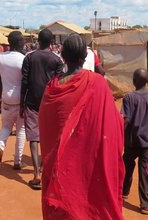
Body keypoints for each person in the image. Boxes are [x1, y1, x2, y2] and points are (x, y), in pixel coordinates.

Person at [39, 34, 125, 219]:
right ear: (85, 57)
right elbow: (112, 124)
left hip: (58, 163)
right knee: (84, 197)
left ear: (63, 57)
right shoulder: (97, 83)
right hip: (85, 159)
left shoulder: (51, 87)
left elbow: (46, 126)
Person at [20, 29, 63, 189]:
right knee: (49, 136)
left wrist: (21, 104)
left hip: (31, 102)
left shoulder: (29, 57)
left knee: (34, 137)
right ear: (51, 42)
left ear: (38, 41)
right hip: (50, 103)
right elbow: (59, 83)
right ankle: (45, 169)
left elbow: (24, 82)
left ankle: (37, 173)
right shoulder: (57, 60)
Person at [0, 31, 26, 170]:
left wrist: (0, 98)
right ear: (19, 43)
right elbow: (25, 82)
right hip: (20, 100)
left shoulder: (0, 58)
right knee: (21, 130)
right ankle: (17, 161)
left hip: (6, 98)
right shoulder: (23, 59)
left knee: (5, 127)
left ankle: (0, 147)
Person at [121, 68, 148, 215]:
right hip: (146, 143)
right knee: (145, 172)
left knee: (127, 167)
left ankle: (123, 192)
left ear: (133, 81)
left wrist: (118, 133)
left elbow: (126, 119)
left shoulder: (128, 97)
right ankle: (145, 204)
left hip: (131, 141)